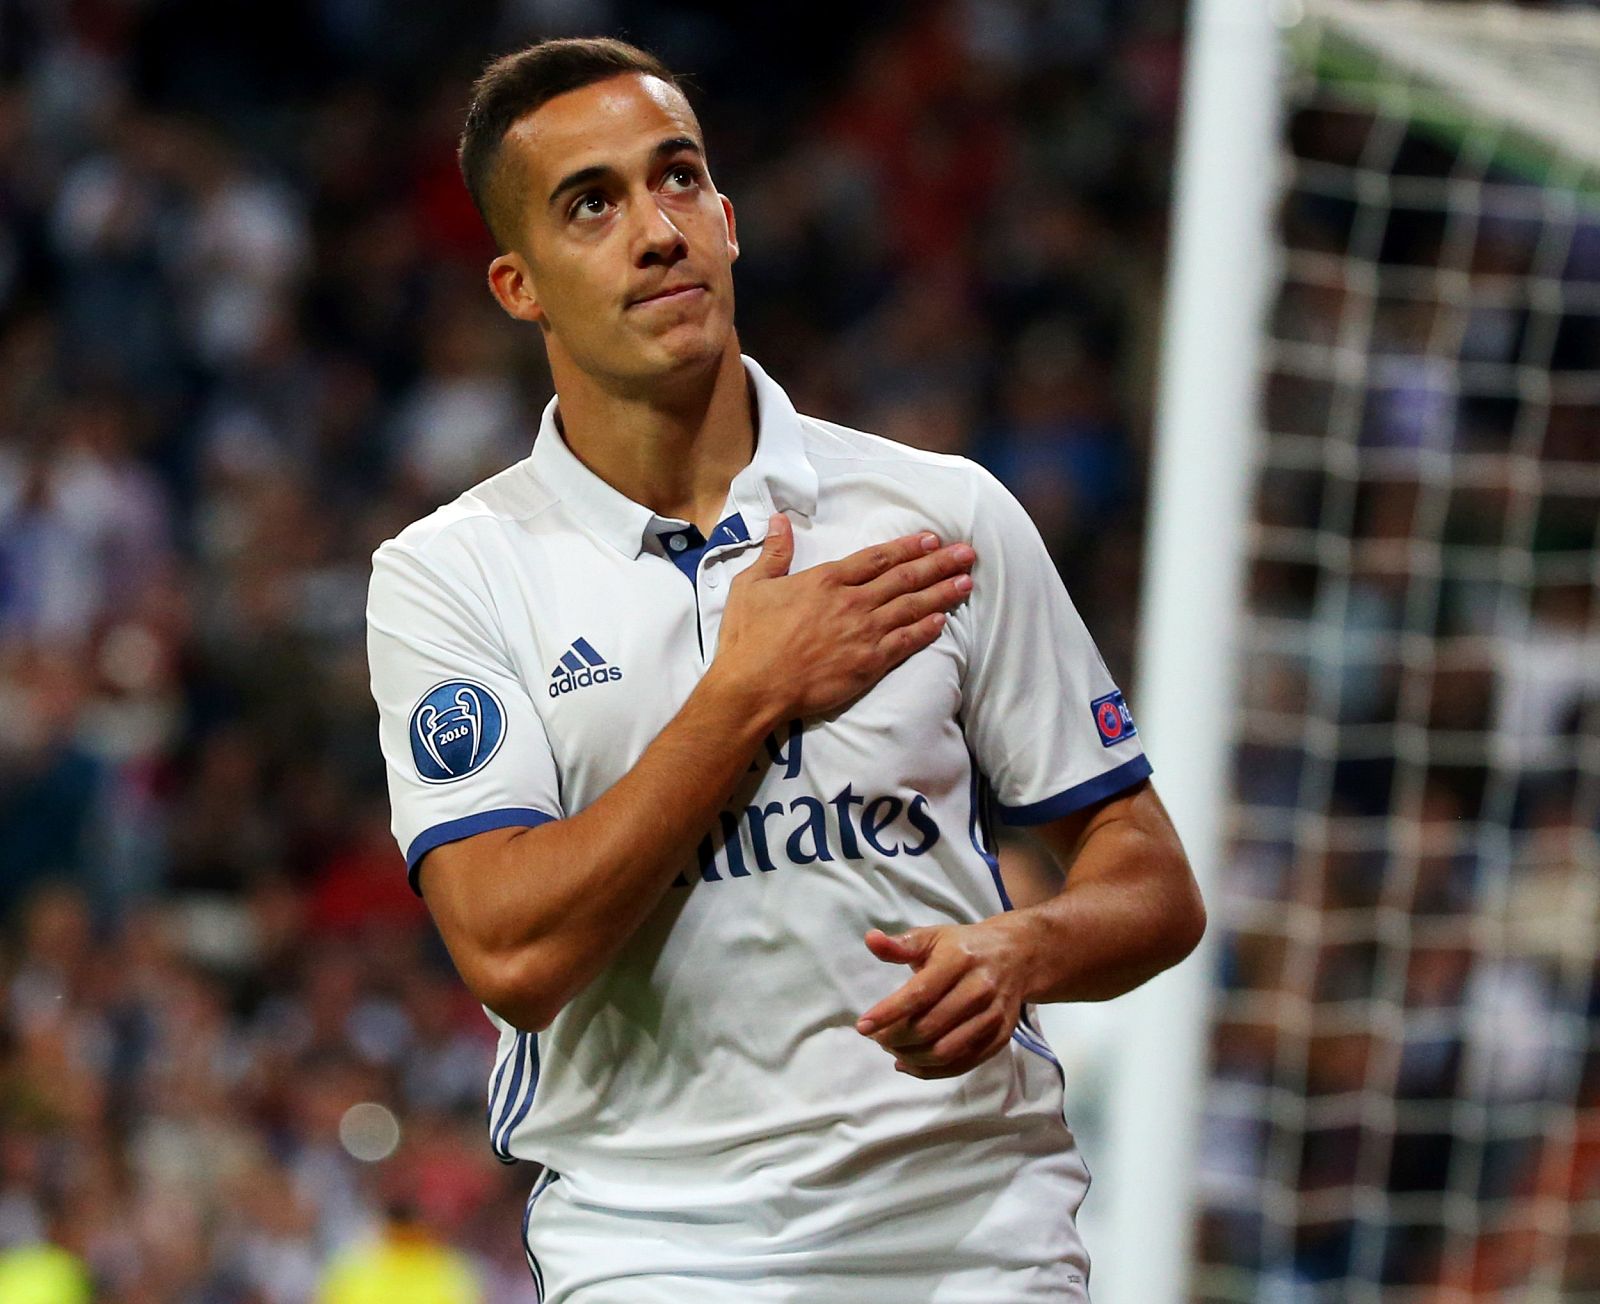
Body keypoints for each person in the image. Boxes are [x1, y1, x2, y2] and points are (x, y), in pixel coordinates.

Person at [365, 36, 1205, 1302]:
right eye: (591, 203)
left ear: (729, 218)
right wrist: (748, 692)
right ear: (517, 284)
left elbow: (1150, 879)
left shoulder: (939, 514)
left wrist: (1026, 948)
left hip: (972, 1233)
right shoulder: (455, 575)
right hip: (658, 1245)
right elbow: (513, 955)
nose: (657, 231)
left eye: (679, 178)